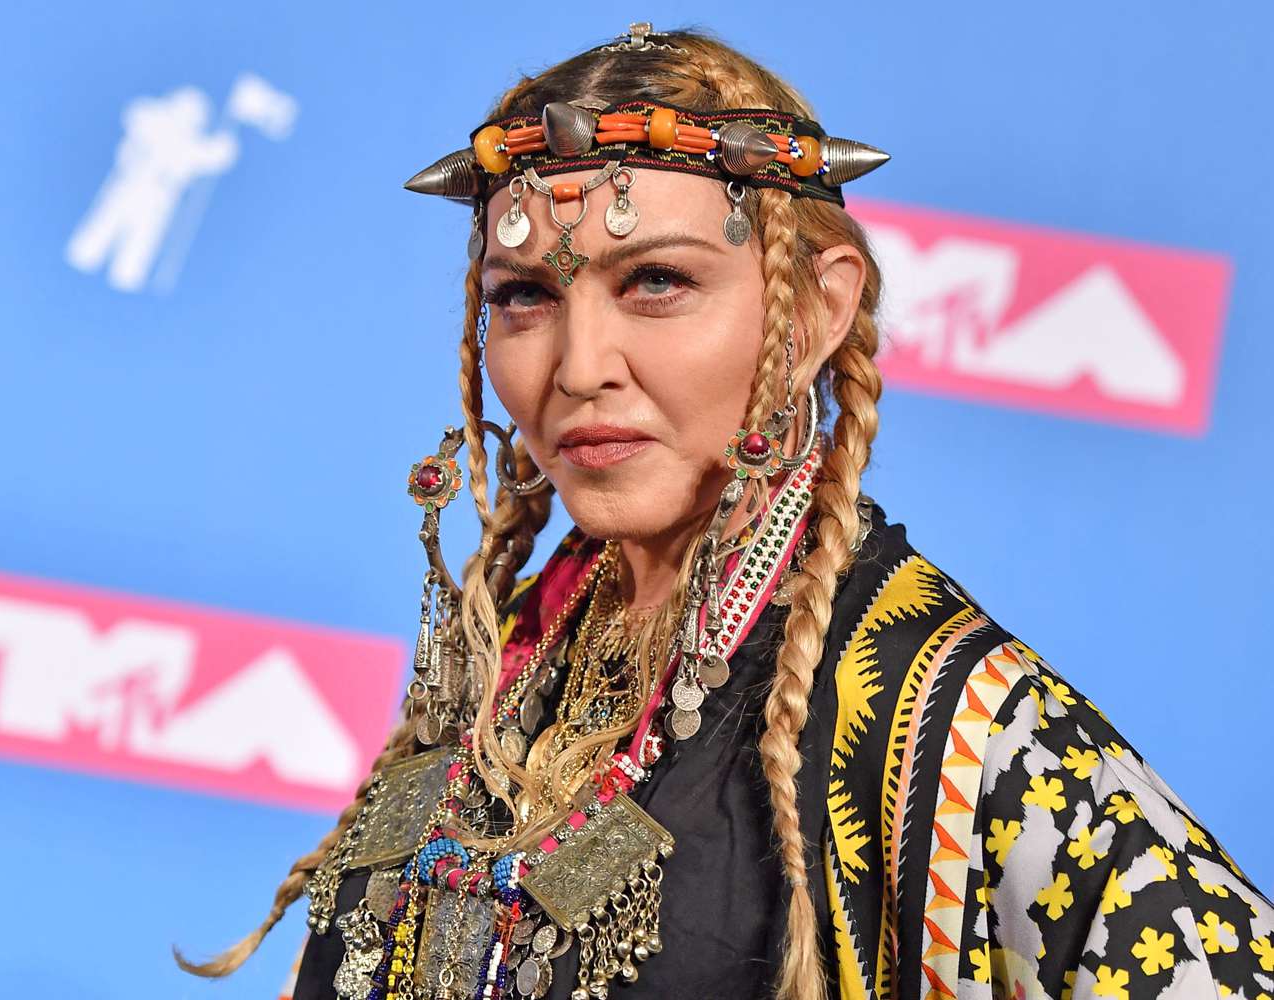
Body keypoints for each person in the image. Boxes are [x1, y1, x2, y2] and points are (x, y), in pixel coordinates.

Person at [175, 23, 1274, 1000]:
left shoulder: (949, 722)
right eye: (528, 298)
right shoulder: (509, 654)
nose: (579, 365)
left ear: (814, 314)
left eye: (655, 282)